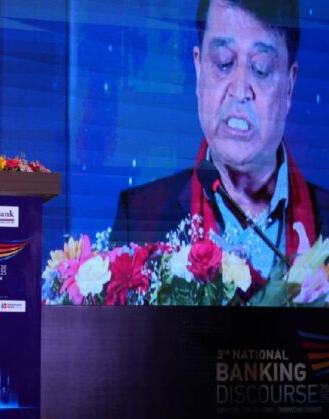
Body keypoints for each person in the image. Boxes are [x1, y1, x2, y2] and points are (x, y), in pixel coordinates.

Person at [112, 0, 329, 277]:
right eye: (224, 63)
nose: (240, 91)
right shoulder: (140, 218)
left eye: (261, 68)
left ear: (289, 85)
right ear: (199, 68)